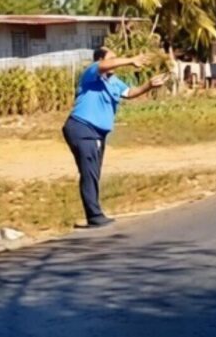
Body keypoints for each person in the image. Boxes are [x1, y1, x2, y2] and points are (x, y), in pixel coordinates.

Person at [63, 48, 169, 227]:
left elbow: (129, 93)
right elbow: (104, 65)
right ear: (100, 60)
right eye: (113, 58)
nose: (116, 61)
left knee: (93, 173)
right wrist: (130, 59)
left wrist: (149, 85)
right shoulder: (91, 73)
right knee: (89, 173)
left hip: (97, 133)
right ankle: (94, 216)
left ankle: (94, 213)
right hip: (82, 128)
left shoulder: (113, 81)